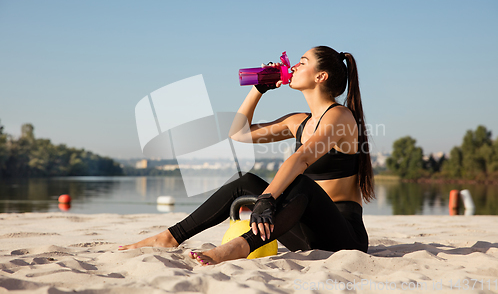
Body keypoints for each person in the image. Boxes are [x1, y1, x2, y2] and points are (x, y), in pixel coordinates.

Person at [119, 46, 375, 266]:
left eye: (302, 62)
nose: (294, 66)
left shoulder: (340, 116)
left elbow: (301, 160)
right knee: (245, 181)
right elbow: (239, 133)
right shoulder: (298, 121)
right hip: (302, 233)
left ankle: (241, 246)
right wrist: (258, 90)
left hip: (343, 237)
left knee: (301, 182)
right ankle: (170, 236)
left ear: (321, 76)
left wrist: (267, 199)